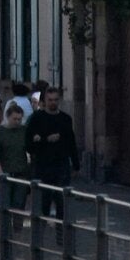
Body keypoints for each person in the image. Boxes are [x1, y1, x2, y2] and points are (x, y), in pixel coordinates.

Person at [24, 87, 80, 217]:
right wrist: (45, 140)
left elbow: (71, 142)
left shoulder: (65, 119)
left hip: (61, 165)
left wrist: (76, 164)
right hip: (43, 166)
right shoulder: (37, 118)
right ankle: (41, 230)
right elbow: (28, 144)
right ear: (44, 101)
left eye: (55, 100)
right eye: (50, 100)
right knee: (44, 202)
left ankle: (61, 232)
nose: (53, 103)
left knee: (62, 201)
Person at [0, 98, 31, 207]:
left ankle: (18, 224)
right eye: (15, 119)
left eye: (19, 119)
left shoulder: (24, 130)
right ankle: (4, 223)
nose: (17, 122)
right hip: (6, 172)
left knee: (19, 203)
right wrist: (0, 172)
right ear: (8, 117)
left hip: (21, 173)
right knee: (5, 203)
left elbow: (30, 148)